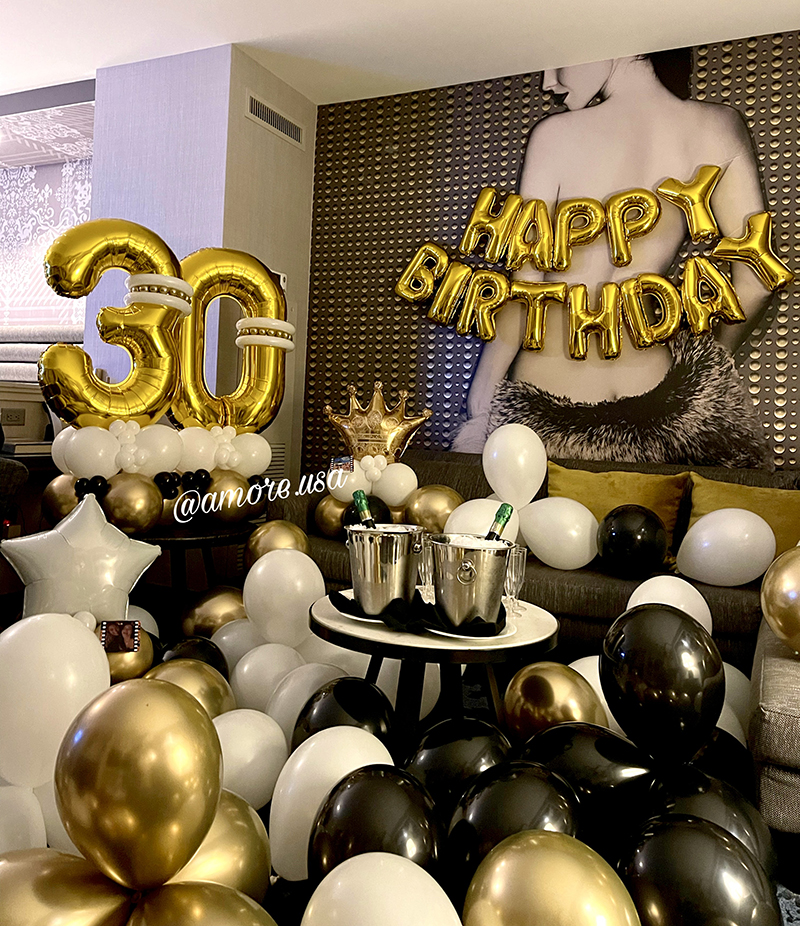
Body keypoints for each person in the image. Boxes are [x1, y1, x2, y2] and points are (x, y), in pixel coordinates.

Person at [452, 54, 772, 467]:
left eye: (559, 58)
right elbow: (756, 281)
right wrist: (710, 364)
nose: (548, 81)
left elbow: (526, 281)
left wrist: (483, 397)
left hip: (546, 396)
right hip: (658, 397)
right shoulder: (717, 127)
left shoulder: (555, 135)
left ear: (618, 45)